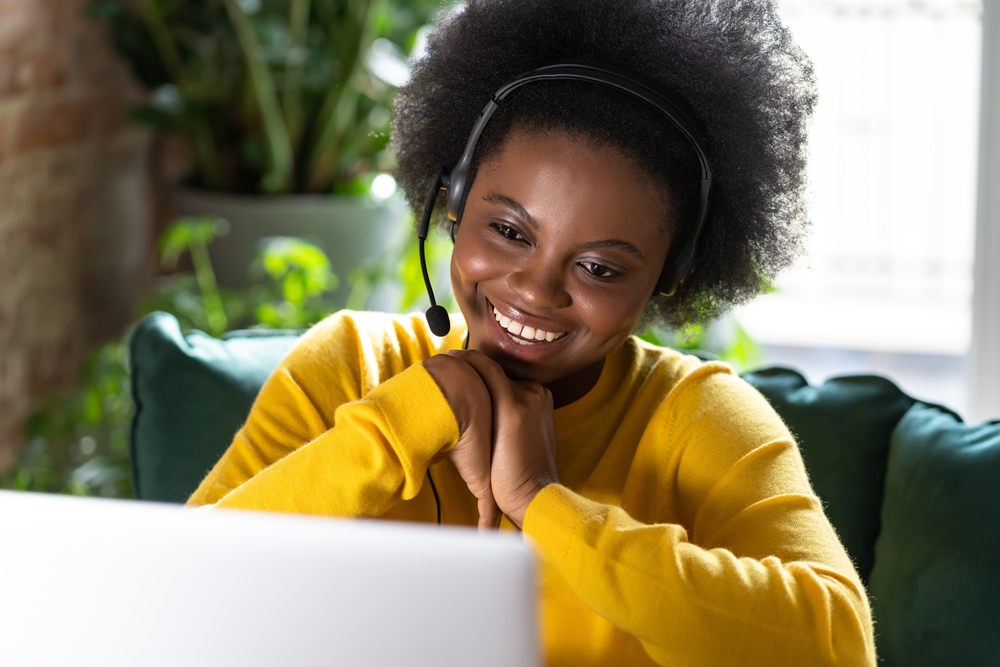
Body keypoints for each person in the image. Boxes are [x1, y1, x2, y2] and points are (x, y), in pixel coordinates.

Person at [188, 0, 876, 664]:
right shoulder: (350, 366)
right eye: (510, 230)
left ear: (670, 274)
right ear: (453, 201)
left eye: (601, 267)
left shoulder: (700, 418)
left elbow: (834, 647)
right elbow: (183, 590)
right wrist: (407, 419)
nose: (535, 290)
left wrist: (545, 503)